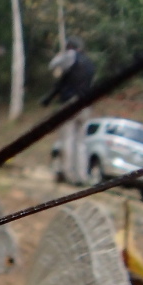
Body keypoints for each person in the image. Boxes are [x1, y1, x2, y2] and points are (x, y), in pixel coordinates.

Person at [41, 36, 95, 185]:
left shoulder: (70, 56)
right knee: (81, 142)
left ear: (69, 47)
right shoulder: (90, 62)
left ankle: (67, 174)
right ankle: (82, 175)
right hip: (86, 105)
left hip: (71, 102)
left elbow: (53, 65)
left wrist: (61, 54)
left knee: (68, 139)